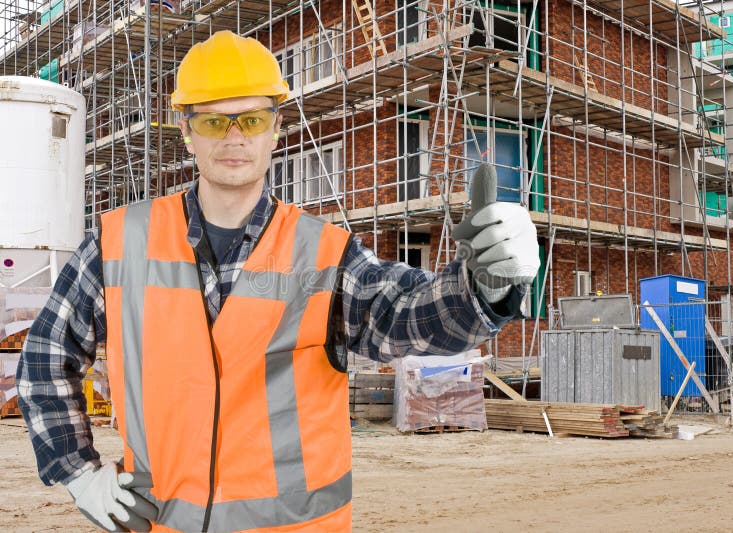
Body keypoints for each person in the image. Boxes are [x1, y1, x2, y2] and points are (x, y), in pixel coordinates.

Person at [16, 30, 540, 532]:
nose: (235, 137)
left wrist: (484, 285)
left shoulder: (323, 255)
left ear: (276, 126)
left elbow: (406, 316)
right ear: (185, 130)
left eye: (251, 119)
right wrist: (77, 470)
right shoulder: (118, 244)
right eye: (215, 123)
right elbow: (45, 356)